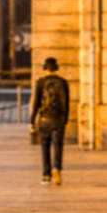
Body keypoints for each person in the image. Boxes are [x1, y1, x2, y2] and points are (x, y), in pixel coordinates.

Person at [30, 57, 70, 186]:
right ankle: (57, 169)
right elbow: (66, 104)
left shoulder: (40, 83)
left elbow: (36, 103)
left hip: (44, 119)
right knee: (58, 146)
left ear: (45, 68)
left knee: (45, 147)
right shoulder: (63, 83)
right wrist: (65, 120)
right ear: (56, 68)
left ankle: (46, 175)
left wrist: (31, 121)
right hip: (58, 119)